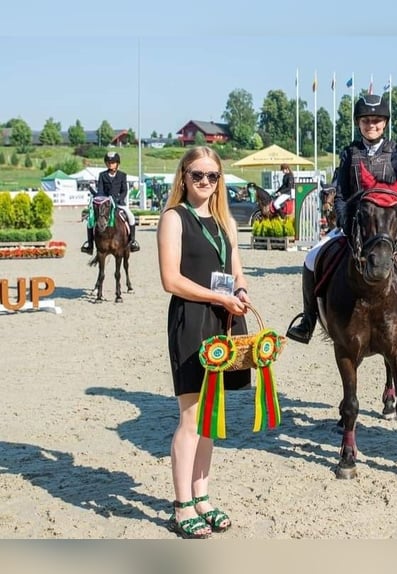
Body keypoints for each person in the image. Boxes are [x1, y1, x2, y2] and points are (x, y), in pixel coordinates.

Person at [286, 93, 397, 355]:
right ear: (359, 123)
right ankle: (308, 319)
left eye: (377, 120)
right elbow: (342, 193)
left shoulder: (396, 153)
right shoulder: (350, 153)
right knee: (311, 258)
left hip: (389, 231)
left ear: (385, 123)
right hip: (355, 229)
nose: (372, 125)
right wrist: (344, 220)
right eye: (366, 120)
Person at [157, 146, 252, 538]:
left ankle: (202, 497)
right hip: (192, 320)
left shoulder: (223, 221)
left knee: (211, 417)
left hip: (225, 319)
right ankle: (181, 505)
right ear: (184, 176)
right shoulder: (173, 218)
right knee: (191, 417)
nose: (205, 183)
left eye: (212, 176)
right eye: (198, 175)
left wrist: (242, 291)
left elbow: (237, 269)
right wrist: (219, 297)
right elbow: (171, 280)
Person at [81, 151, 140, 254]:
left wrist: (118, 199)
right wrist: (101, 197)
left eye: (113, 162)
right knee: (91, 221)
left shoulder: (122, 175)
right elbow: (100, 190)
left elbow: (124, 190)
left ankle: (132, 242)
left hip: (119, 203)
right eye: (108, 162)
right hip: (105, 203)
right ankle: (90, 245)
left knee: (131, 217)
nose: (110, 164)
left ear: (117, 164)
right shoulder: (102, 175)